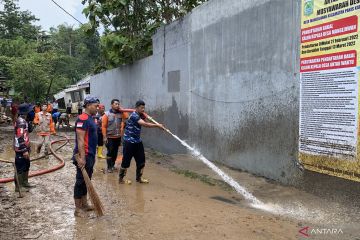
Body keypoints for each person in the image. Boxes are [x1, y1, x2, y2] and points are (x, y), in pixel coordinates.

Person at [119, 100, 165, 184]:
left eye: (144, 108)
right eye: (141, 108)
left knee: (141, 160)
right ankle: (121, 179)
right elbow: (145, 124)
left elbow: (146, 120)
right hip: (129, 141)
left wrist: (149, 119)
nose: (143, 109)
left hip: (137, 141)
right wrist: (157, 125)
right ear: (136, 108)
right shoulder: (134, 116)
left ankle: (139, 178)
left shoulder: (140, 115)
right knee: (126, 161)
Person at [71, 96, 99, 217]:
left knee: (87, 180)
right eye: (95, 106)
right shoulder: (82, 119)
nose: (97, 108)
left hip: (91, 154)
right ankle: (78, 209)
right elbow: (80, 140)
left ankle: (85, 204)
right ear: (88, 105)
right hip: (84, 155)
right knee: (80, 181)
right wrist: (82, 157)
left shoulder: (91, 118)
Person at [102, 99, 129, 173]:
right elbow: (103, 126)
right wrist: (104, 137)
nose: (117, 105)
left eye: (118, 104)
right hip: (109, 137)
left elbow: (127, 117)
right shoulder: (106, 114)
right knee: (110, 152)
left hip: (118, 137)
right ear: (111, 105)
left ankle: (113, 165)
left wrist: (122, 109)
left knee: (115, 152)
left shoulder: (120, 113)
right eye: (116, 104)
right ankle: (109, 167)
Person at [14, 103, 35, 192]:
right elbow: (20, 136)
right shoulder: (21, 122)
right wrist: (24, 150)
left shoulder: (24, 120)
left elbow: (28, 131)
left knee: (26, 165)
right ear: (26, 112)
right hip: (21, 149)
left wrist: (30, 123)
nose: (32, 111)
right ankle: (18, 187)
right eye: (30, 110)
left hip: (25, 147)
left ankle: (25, 182)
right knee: (20, 167)